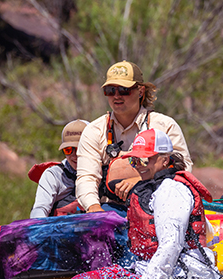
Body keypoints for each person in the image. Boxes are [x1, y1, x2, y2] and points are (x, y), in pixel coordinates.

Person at [64, 130, 219, 279]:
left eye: (145, 159)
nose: (138, 165)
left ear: (165, 160)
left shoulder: (171, 190)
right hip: (150, 273)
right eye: (134, 160)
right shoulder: (152, 188)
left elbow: (171, 246)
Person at [75, 60, 193, 216]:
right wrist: (93, 208)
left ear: (141, 91)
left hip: (156, 207)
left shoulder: (165, 126)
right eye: (110, 90)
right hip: (109, 210)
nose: (116, 96)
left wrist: (140, 181)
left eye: (124, 90)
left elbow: (183, 170)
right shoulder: (94, 131)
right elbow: (86, 177)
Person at [29, 119, 89, 218]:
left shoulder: (103, 172)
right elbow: (40, 208)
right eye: (68, 150)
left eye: (80, 149)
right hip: (59, 229)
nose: (74, 156)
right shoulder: (53, 175)